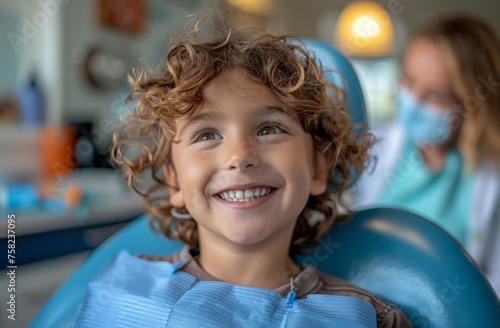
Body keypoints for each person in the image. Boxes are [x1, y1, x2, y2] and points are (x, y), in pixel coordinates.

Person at [75, 16, 411, 327]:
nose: (240, 156)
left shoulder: (363, 319)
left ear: (318, 168)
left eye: (269, 129)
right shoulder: (125, 283)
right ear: (175, 179)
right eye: (207, 135)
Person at [353, 13, 500, 295]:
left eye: (436, 95)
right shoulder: (372, 147)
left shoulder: (487, 175)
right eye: (408, 81)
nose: (413, 101)